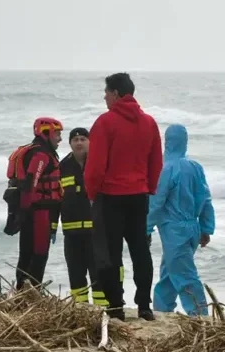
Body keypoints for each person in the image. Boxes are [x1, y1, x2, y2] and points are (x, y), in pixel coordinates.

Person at [85, 72, 163, 321]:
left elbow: (95, 166)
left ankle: (115, 306)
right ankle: (144, 306)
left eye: (106, 92)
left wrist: (91, 193)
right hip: (139, 195)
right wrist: (149, 187)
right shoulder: (149, 122)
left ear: (116, 94)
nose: (104, 97)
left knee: (110, 253)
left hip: (110, 196)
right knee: (140, 250)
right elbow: (156, 162)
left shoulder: (105, 122)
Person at [146, 124, 215, 317]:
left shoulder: (165, 168)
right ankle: (161, 311)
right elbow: (206, 199)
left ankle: (200, 316)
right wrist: (206, 228)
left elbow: (156, 202)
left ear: (166, 141)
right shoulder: (195, 167)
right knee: (169, 274)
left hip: (173, 230)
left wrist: (146, 227)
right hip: (192, 227)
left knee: (185, 276)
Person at [4, 117, 63, 290]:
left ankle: (22, 292)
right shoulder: (41, 155)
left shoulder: (35, 151)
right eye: (57, 134)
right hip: (38, 213)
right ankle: (31, 293)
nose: (59, 139)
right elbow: (31, 182)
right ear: (47, 133)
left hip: (29, 212)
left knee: (26, 254)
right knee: (38, 254)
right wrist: (26, 212)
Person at [50, 128, 107, 307]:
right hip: (71, 232)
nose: (79, 142)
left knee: (98, 272)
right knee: (75, 273)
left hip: (96, 230)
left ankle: (102, 309)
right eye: (75, 140)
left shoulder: (98, 163)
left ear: (90, 142)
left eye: (83, 139)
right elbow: (55, 199)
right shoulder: (63, 167)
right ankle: (80, 309)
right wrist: (52, 226)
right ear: (70, 143)